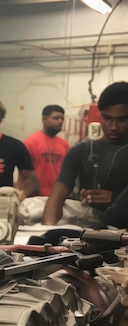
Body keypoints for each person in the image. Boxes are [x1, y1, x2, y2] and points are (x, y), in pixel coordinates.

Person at [43, 81, 128, 226]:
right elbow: (56, 198)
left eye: (122, 120)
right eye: (107, 118)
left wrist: (116, 199)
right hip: (91, 234)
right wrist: (46, 232)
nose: (113, 127)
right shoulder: (80, 150)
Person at [24, 104, 70, 196]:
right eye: (56, 118)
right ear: (44, 119)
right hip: (34, 197)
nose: (60, 121)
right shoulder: (30, 143)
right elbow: (23, 174)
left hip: (57, 196)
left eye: (62, 119)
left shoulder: (65, 145)